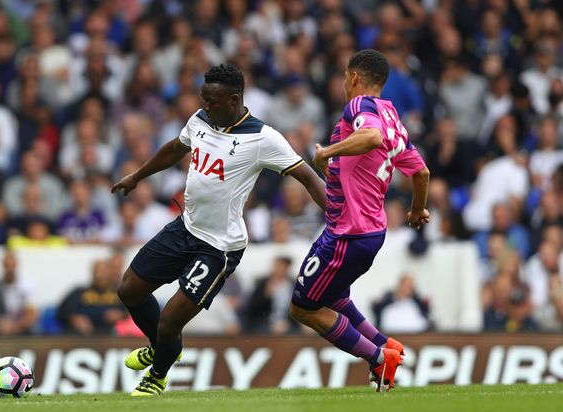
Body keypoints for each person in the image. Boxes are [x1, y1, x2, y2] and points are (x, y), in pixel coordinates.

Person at [111, 64, 326, 396]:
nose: (206, 106)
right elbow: (174, 148)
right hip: (185, 228)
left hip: (218, 247)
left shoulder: (262, 137)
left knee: (170, 320)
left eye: (213, 101)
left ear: (235, 99)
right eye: (204, 99)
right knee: (128, 290)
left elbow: (308, 176)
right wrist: (137, 176)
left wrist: (339, 215)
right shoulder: (200, 119)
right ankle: (162, 347)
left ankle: (157, 374)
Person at [288, 49, 430, 392]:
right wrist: (416, 210)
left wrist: (326, 153)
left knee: (303, 308)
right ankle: (386, 344)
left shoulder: (359, 106)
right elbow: (421, 172)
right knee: (333, 299)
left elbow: (371, 137)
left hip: (347, 234)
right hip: (367, 231)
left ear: (352, 77)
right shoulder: (393, 117)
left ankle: (379, 357)